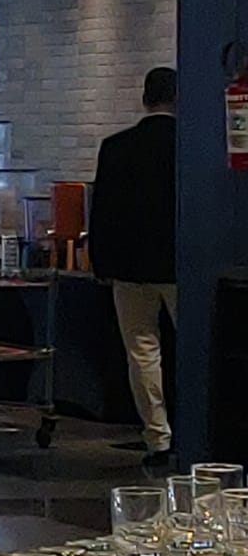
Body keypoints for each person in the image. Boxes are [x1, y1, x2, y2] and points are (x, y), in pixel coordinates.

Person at [90, 67, 178, 470]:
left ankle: (158, 438)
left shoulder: (116, 146)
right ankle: (198, 429)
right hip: (180, 266)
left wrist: (101, 262)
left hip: (128, 267)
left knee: (142, 352)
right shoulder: (190, 145)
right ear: (179, 98)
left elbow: (101, 210)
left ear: (145, 99)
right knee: (195, 348)